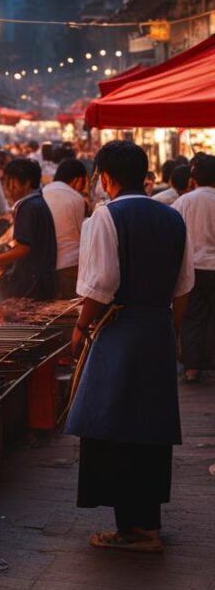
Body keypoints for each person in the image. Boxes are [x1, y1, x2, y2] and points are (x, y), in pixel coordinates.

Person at [65, 140, 194, 553]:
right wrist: (170, 331)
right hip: (155, 329)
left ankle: (131, 530)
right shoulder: (173, 216)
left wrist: (81, 328)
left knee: (113, 424)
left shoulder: (107, 215)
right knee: (149, 426)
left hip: (121, 331)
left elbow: (101, 284)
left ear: (106, 177)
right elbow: (183, 286)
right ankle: (147, 524)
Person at [0, 158, 57, 300]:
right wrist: (0, 266)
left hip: (32, 284)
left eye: (13, 184)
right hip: (42, 281)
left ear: (27, 183)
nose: (8, 189)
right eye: (7, 183)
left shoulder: (27, 207)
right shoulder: (38, 202)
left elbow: (23, 248)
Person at [172, 154, 215, 383]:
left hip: (192, 268)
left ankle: (192, 369)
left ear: (193, 178)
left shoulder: (183, 202)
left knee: (192, 318)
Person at [42, 158, 89, 299]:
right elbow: (83, 234)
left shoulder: (42, 193)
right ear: (77, 180)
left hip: (45, 264)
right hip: (70, 265)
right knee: (69, 312)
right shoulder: (77, 198)